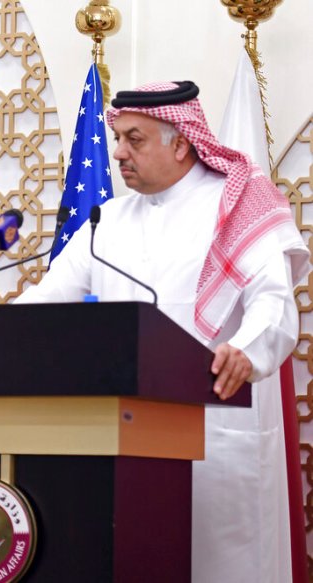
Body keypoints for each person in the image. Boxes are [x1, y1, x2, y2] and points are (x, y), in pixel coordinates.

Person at [18, 81, 309, 582]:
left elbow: (274, 303)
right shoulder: (105, 221)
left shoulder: (237, 205)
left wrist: (244, 349)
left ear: (181, 142)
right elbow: (47, 302)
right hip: (124, 440)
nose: (118, 153)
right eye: (117, 139)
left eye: (135, 139)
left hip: (218, 430)